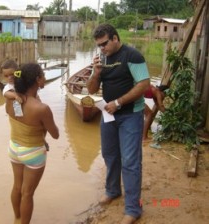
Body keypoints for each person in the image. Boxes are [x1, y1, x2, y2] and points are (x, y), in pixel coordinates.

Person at [87, 24, 150, 224]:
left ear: (115, 38)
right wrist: (96, 73)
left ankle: (133, 209)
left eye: (104, 44)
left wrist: (119, 102)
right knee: (110, 155)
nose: (102, 48)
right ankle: (113, 190)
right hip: (109, 116)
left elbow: (144, 84)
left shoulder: (132, 55)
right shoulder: (102, 60)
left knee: (130, 162)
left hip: (130, 115)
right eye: (98, 45)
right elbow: (91, 89)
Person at [6, 62, 59, 224]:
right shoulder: (41, 108)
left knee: (17, 187)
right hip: (33, 153)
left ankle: (17, 218)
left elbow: (20, 117)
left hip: (14, 148)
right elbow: (55, 134)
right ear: (37, 79)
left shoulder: (13, 99)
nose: (44, 78)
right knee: (27, 193)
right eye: (43, 75)